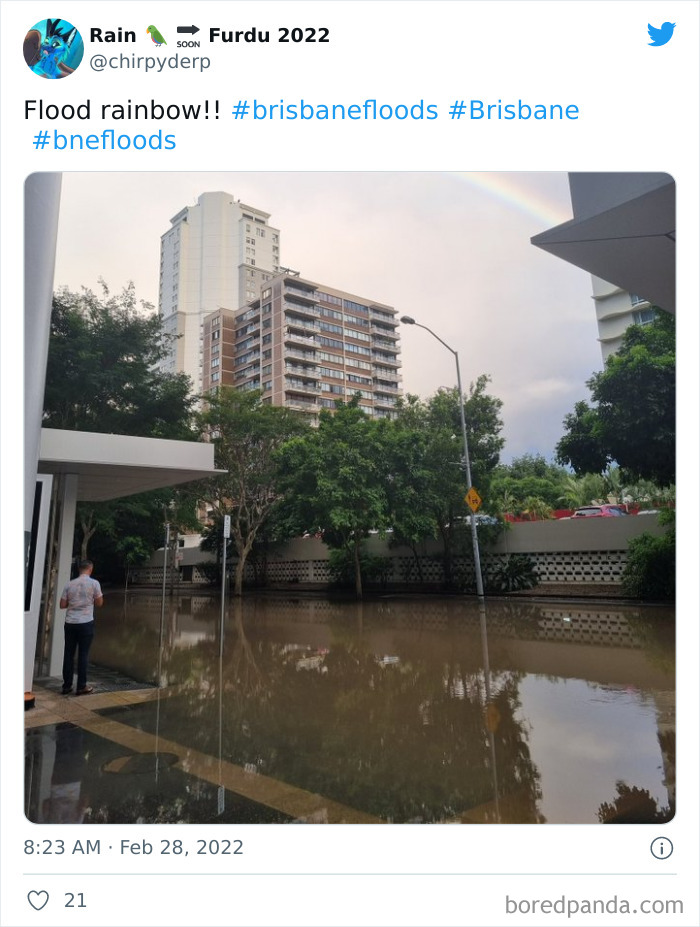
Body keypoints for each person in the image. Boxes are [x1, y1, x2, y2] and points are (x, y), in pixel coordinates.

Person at [59, 560, 104, 695]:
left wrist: (74, 603)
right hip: (85, 622)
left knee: (68, 654)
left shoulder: (69, 584)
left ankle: (66, 686)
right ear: (90, 569)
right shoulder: (94, 583)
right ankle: (81, 686)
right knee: (83, 654)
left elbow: (62, 605)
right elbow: (99, 603)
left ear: (79, 569)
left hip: (70, 622)